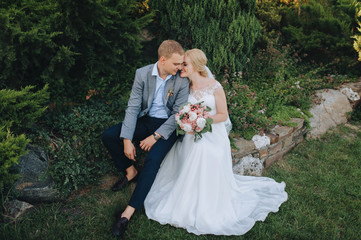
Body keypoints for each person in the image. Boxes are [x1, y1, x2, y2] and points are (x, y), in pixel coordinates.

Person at [144, 49, 288, 236]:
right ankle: (188, 197)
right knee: (194, 149)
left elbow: (223, 114)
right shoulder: (183, 86)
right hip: (190, 134)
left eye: (185, 64)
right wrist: (188, 121)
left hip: (212, 133)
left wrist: (201, 121)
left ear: (196, 66)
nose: (181, 68)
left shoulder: (214, 86)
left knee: (203, 151)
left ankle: (207, 202)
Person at [101, 40, 189, 236]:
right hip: (146, 119)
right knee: (109, 136)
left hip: (168, 126)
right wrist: (126, 139)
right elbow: (133, 107)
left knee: (152, 159)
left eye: (181, 63)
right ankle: (131, 171)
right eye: (176, 64)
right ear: (163, 60)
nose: (180, 67)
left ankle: (127, 213)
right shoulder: (142, 73)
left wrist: (155, 137)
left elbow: (178, 114)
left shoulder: (181, 80)